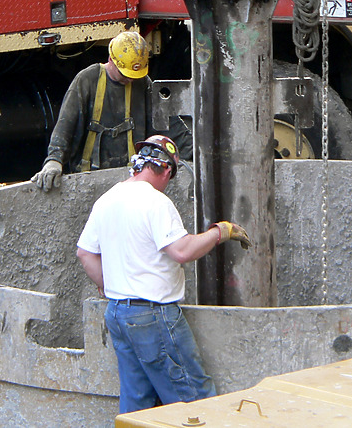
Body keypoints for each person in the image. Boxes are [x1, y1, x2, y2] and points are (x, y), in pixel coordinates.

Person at [75, 135, 252, 413]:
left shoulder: (107, 199)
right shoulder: (155, 202)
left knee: (138, 404)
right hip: (153, 316)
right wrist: (220, 232)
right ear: (167, 170)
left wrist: (108, 286)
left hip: (119, 314)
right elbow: (181, 251)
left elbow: (85, 253)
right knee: (193, 399)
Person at [32, 31, 191, 191]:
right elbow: (66, 125)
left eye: (134, 75)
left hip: (129, 178)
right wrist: (54, 160)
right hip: (90, 181)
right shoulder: (87, 80)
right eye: (125, 74)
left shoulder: (141, 83)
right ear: (111, 60)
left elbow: (167, 125)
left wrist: (196, 153)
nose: (130, 79)